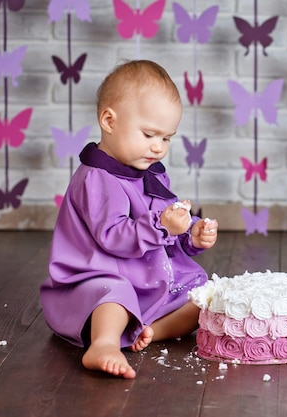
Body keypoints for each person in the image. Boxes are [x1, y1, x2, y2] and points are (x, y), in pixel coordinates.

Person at [40, 60, 218, 379]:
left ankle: (150, 330)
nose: (158, 147)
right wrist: (163, 225)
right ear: (109, 120)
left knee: (201, 296)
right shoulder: (97, 179)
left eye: (166, 138)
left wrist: (190, 233)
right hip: (95, 278)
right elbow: (114, 236)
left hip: (145, 276)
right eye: (150, 134)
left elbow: (166, 219)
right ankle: (104, 343)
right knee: (115, 293)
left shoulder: (146, 172)